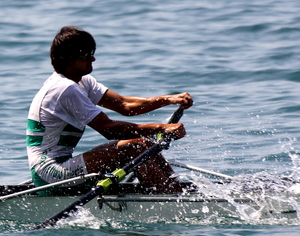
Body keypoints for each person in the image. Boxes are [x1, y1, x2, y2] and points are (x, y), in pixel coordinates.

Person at [26, 26, 193, 194]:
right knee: (136, 148)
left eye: (92, 51)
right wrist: (161, 128)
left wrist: (167, 99)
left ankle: (174, 193)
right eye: (85, 54)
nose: (93, 58)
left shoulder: (83, 82)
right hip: (49, 173)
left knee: (145, 143)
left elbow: (124, 105)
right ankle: (167, 199)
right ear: (67, 58)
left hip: (64, 164)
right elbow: (109, 129)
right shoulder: (64, 88)